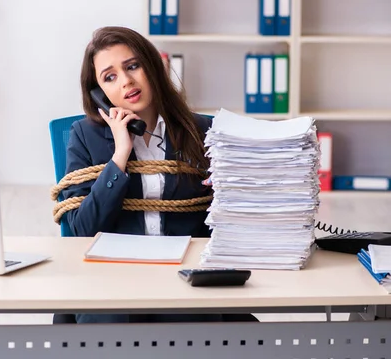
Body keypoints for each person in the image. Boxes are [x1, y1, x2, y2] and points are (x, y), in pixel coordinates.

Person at [61, 26, 250, 324]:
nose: (126, 82)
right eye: (109, 77)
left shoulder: (203, 131)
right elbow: (81, 229)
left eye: (132, 66)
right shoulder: (85, 136)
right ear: (98, 94)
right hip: (113, 280)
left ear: (152, 66)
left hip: (186, 277)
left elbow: (231, 225)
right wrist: (120, 154)